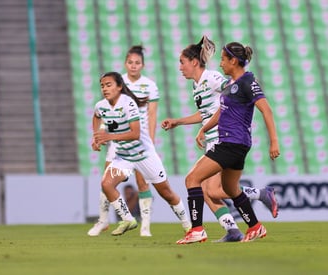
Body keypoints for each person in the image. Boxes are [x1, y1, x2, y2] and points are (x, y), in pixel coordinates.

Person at [161, 36, 279, 242]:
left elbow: (259, 107)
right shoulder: (214, 85)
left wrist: (274, 141)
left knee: (196, 182)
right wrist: (198, 127)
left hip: (227, 140)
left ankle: (198, 229)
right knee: (222, 189)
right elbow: (220, 109)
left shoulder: (225, 79)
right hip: (228, 139)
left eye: (182, 62)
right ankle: (249, 227)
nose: (221, 62)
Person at [91, 71, 191, 236]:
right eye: (102, 86)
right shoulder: (101, 105)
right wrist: (96, 137)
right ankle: (128, 219)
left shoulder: (128, 103)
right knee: (106, 184)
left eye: (108, 85)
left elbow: (135, 133)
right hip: (124, 156)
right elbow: (96, 116)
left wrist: (108, 136)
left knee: (166, 193)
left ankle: (189, 227)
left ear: (119, 87)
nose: (104, 89)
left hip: (144, 155)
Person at [88, 45, 158, 237]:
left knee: (143, 183)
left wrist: (150, 140)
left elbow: (152, 115)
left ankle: (145, 226)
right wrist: (99, 135)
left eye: (137, 63)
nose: (133, 66)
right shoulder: (116, 82)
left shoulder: (150, 85)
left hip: (140, 140)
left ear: (142, 65)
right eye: (130, 62)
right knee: (106, 180)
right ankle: (103, 221)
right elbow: (105, 114)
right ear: (125, 64)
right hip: (118, 141)